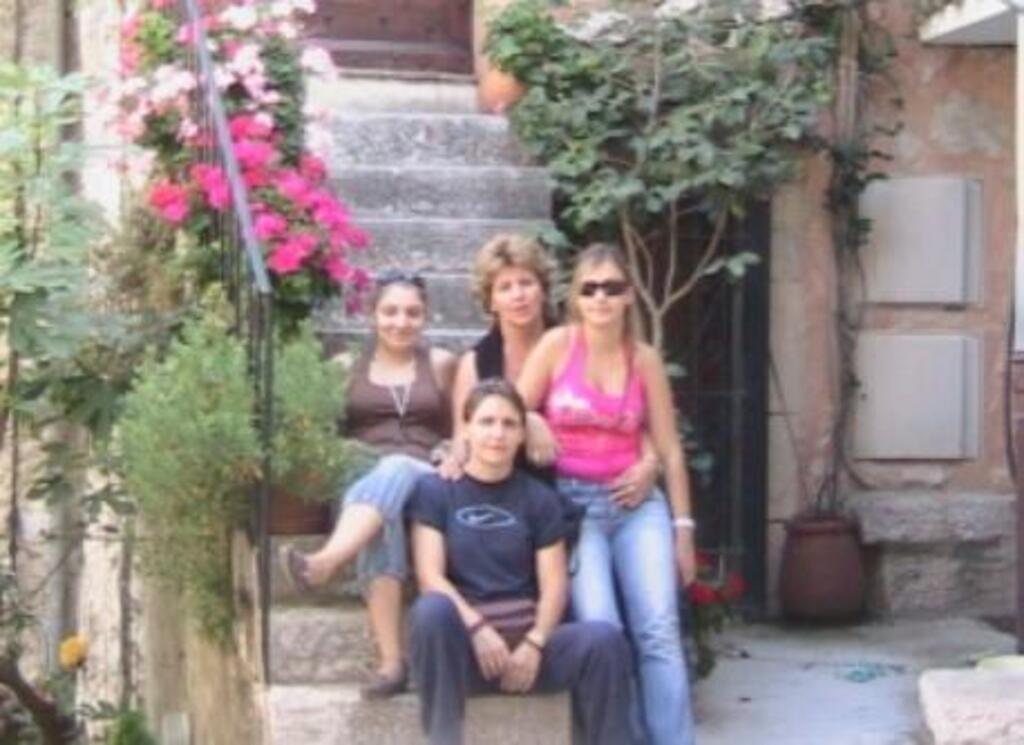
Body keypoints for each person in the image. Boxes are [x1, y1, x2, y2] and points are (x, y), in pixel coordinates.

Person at [517, 243, 698, 745]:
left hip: (637, 507)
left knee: (658, 630)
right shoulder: (557, 345)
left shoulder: (645, 360)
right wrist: (532, 418)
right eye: (589, 288)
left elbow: (670, 448)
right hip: (577, 510)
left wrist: (683, 530)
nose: (600, 297)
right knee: (604, 630)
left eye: (612, 288)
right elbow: (507, 407)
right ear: (575, 297)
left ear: (629, 295)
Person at [408, 379, 637, 745]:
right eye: (486, 422)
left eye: (509, 424)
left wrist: (535, 643)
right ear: (466, 429)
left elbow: (555, 586)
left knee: (604, 641)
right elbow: (429, 576)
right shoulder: (436, 491)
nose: (497, 434)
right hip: (465, 652)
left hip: (528, 655)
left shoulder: (539, 499)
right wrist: (478, 630)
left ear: (521, 436)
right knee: (431, 610)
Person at [279, 270, 456, 698]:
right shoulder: (345, 368)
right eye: (390, 312)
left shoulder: (441, 364)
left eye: (412, 313)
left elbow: (461, 429)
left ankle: (326, 562)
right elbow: (317, 435)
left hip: (425, 478)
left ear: (425, 316)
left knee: (396, 466)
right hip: (364, 484)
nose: (401, 322)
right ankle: (392, 665)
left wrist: (452, 450)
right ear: (373, 315)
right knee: (382, 520)